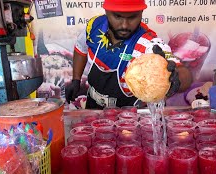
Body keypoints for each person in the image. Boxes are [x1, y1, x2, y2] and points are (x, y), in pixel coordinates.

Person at [65, 0, 193, 109]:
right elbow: (81, 47)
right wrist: (76, 80)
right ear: (106, 12)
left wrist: (176, 75)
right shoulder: (94, 25)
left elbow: (181, 72)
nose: (125, 25)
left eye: (132, 17)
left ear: (141, 13)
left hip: (129, 119)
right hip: (93, 108)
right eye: (118, 17)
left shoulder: (149, 44)